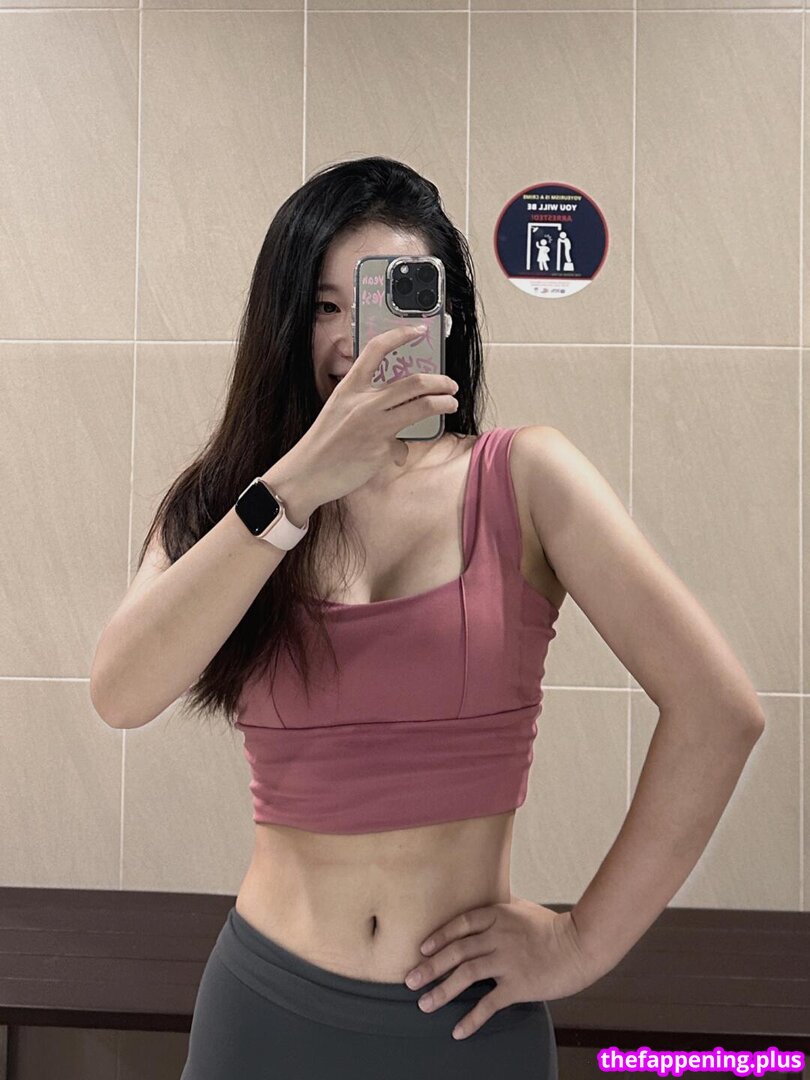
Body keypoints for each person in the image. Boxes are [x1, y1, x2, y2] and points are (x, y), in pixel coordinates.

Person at [91, 156, 765, 1078]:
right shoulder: (236, 505)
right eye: (324, 306)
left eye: (388, 302)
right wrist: (294, 491)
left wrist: (581, 944)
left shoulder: (526, 478)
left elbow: (720, 711)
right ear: (282, 320)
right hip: (262, 1010)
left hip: (465, 1024)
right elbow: (121, 693)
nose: (354, 341)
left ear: (444, 320)